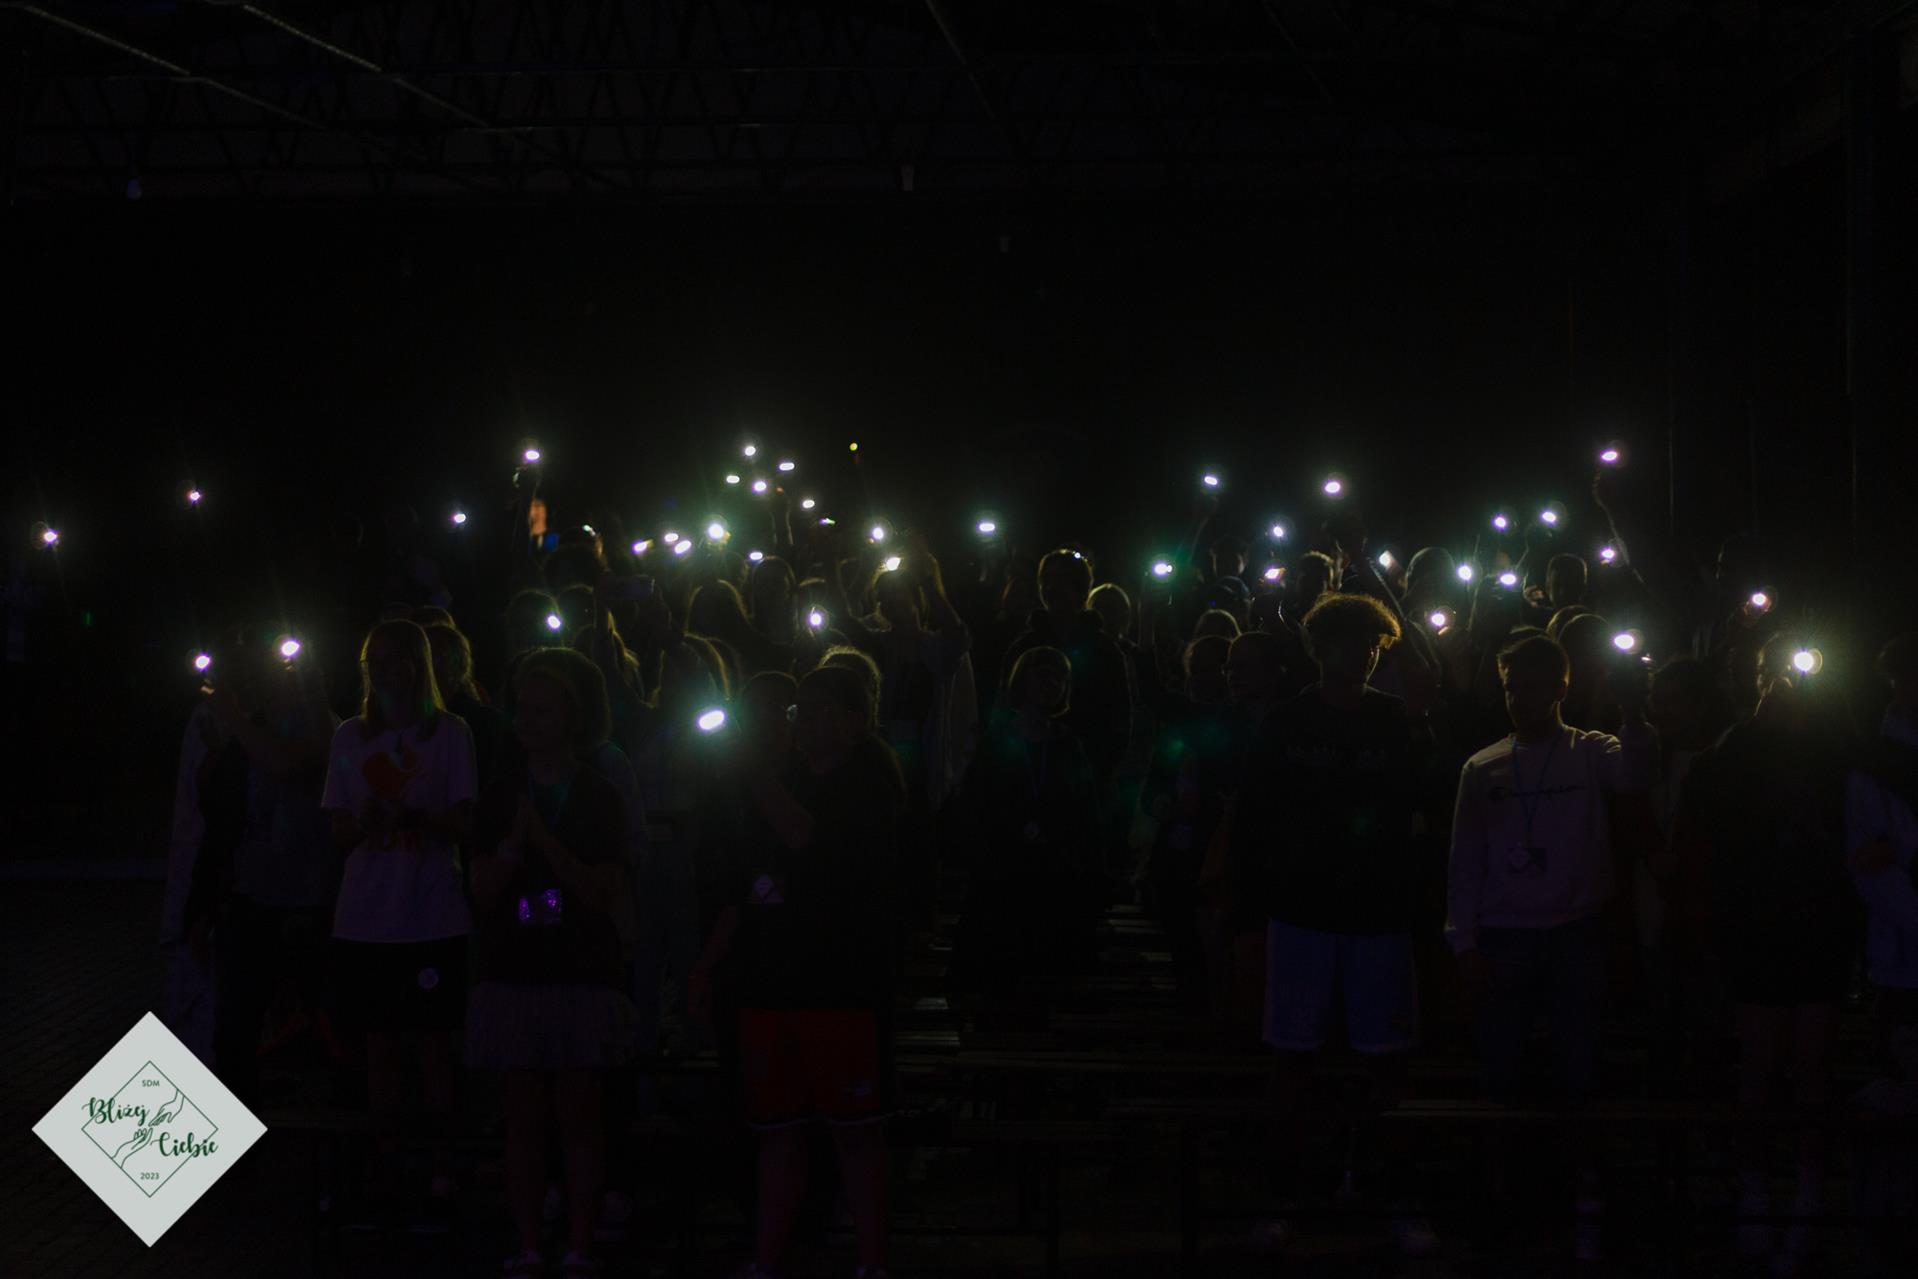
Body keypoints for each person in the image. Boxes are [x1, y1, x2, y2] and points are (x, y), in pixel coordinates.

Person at [1231, 594, 1434, 1256]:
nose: (1368, 654)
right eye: (1355, 641)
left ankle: (1386, 1195)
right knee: (1294, 1058)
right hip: (1303, 914)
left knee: (1384, 1062)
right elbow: (1253, 821)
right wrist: (1250, 919)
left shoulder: (1394, 721)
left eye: (1375, 644)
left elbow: (1420, 812)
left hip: (1376, 916)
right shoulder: (1288, 723)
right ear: (1321, 649)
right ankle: (1287, 1195)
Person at [691, 665, 905, 1279]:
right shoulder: (787, 778)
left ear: (856, 721)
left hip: (840, 983)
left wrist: (753, 772)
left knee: (855, 1131)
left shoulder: (868, 784)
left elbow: (807, 839)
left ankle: (871, 1262)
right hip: (772, 979)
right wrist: (708, 966)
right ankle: (767, 1259)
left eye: (819, 709)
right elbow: (745, 880)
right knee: (777, 1127)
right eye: (799, 711)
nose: (804, 721)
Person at [1446, 632, 1653, 1263]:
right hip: (1506, 934)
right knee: (1500, 1076)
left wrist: (1633, 713)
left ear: (1561, 688)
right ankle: (1501, 1209)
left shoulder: (1592, 751)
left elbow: (1636, 774)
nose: (1519, 701)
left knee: (1577, 1072)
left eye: (1531, 689)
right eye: (1511, 689)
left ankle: (1578, 1204)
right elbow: (1465, 860)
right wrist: (1463, 943)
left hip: (1574, 931)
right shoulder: (1482, 767)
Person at [467, 648, 638, 1279]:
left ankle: (579, 1244)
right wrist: (515, 849)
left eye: (544, 708)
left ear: (573, 716)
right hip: (515, 965)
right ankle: (531, 1243)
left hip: (578, 967)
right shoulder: (499, 794)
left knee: (579, 1115)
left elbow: (603, 891)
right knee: (524, 1119)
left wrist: (545, 844)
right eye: (524, 708)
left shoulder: (598, 795)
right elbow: (480, 889)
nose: (529, 719)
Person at [320, 619, 478, 1225]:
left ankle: (440, 1168)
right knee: (380, 1044)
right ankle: (390, 1165)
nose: (387, 671)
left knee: (433, 1043)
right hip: (366, 916)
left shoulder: (451, 734)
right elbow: (337, 828)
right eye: (376, 661)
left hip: (431, 912)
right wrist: (366, 821)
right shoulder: (350, 736)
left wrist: (412, 816)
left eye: (398, 659)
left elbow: (463, 823)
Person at [194, 639, 341, 1109]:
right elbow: (215, 814)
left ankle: (322, 1120)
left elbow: (290, 763)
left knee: (320, 1021)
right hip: (249, 897)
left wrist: (236, 720)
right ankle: (238, 1118)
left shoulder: (321, 722)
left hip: (310, 900)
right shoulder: (244, 731)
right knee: (235, 1026)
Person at [952, 646, 1101, 1028]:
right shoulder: (997, 741)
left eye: (1059, 677)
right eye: (1043, 675)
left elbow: (1084, 808)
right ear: (1022, 681)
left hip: (1051, 875)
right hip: (1002, 875)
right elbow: (975, 806)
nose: (1052, 683)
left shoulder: (1066, 744)